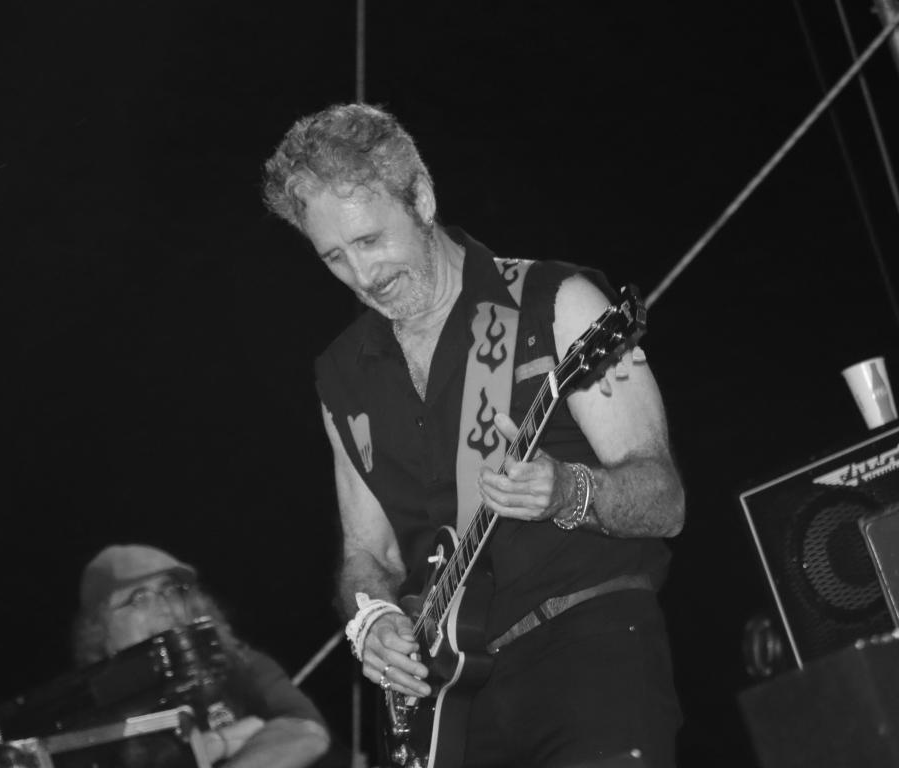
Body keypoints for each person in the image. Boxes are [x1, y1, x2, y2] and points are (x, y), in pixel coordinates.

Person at [262, 103, 685, 768]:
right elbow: (367, 553)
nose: (363, 276)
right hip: (450, 703)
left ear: (422, 198)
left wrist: (568, 491)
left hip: (586, 652)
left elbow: (664, 501)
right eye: (335, 257)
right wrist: (372, 618)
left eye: (370, 241)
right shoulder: (341, 377)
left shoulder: (557, 301)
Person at [70, 544, 332, 768]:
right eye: (139, 598)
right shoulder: (87, 718)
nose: (164, 606)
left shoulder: (237, 663)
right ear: (100, 627)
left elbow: (306, 732)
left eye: (171, 590)